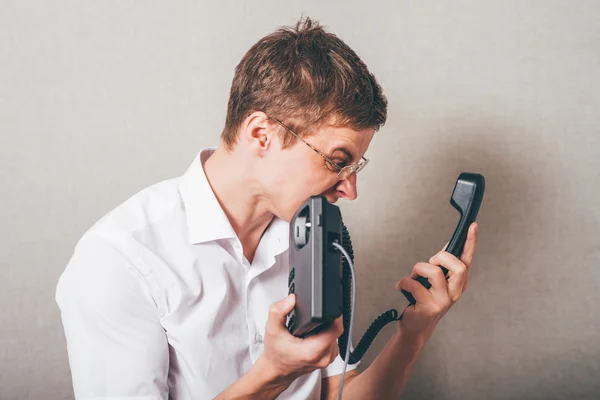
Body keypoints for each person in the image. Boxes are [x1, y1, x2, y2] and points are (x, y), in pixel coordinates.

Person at [55, 16, 478, 400]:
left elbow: (337, 396)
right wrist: (272, 376)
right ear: (262, 133)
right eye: (337, 161)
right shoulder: (119, 259)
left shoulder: (313, 237)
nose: (350, 191)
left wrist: (414, 333)